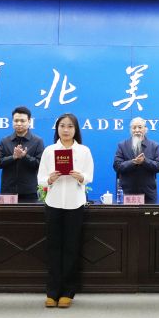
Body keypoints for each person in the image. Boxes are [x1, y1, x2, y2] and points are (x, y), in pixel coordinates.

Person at [37, 112, 94, 308]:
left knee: (71, 247)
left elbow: (89, 176)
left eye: (70, 126)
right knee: (53, 248)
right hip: (53, 203)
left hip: (75, 204)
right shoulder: (49, 151)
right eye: (62, 126)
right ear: (57, 129)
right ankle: (52, 292)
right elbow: (40, 178)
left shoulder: (84, 151)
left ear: (76, 129)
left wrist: (80, 176)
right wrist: (50, 179)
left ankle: (68, 292)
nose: (66, 130)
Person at [0, 106, 45, 203]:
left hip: (30, 192)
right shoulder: (5, 141)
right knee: (5, 213)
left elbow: (40, 164)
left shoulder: (38, 141)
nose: (19, 123)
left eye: (22, 121)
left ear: (29, 121)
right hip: (8, 191)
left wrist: (25, 157)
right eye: (16, 120)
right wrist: (13, 157)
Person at [112, 117, 159, 203]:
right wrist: (133, 162)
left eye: (140, 127)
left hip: (148, 194)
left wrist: (145, 161)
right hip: (127, 194)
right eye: (134, 127)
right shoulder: (122, 145)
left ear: (145, 129)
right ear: (130, 130)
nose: (137, 130)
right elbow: (117, 166)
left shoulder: (154, 145)